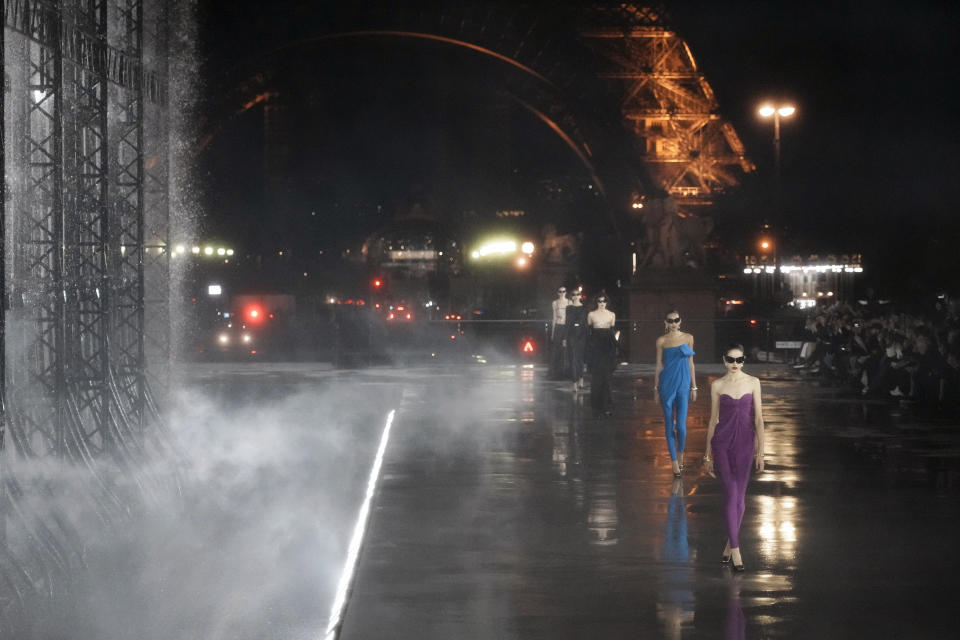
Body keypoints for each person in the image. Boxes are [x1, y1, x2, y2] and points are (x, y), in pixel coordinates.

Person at [703, 344, 765, 572]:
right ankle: (737, 549)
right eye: (731, 360)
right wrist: (707, 454)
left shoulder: (753, 382)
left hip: (745, 444)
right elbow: (712, 420)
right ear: (724, 360)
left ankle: (729, 544)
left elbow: (759, 419)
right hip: (722, 442)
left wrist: (761, 451)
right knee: (730, 493)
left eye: (739, 360)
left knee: (740, 496)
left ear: (744, 361)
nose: (735, 364)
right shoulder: (717, 385)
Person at [654, 310, 697, 477]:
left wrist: (694, 387)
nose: (673, 323)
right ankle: (674, 463)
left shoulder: (688, 338)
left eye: (676, 320)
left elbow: (691, 363)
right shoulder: (661, 341)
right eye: (670, 320)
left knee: (681, 425)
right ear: (666, 323)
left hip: (684, 383)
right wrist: (655, 388)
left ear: (680, 321)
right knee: (669, 425)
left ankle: (681, 454)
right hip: (666, 383)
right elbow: (658, 365)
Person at [586, 294, 617, 416]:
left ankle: (606, 405)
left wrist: (615, 349)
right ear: (596, 302)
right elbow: (589, 332)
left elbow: (612, 332)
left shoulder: (611, 314)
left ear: (607, 302)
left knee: (607, 376)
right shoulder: (591, 314)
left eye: (604, 301)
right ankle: (596, 405)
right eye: (599, 301)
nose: (602, 303)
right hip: (595, 345)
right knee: (596, 376)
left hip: (608, 345)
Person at [563, 288, 588, 391]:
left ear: (580, 296)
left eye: (578, 294)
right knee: (573, 359)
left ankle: (581, 378)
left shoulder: (584, 308)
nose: (576, 296)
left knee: (580, 359)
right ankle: (574, 382)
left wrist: (587, 337)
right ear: (571, 297)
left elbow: (586, 324)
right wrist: (564, 338)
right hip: (571, 335)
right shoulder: (568, 308)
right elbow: (567, 323)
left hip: (582, 335)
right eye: (574, 294)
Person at [549, 286, 569, 379]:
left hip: (566, 327)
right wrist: (553, 332)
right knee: (555, 350)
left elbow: (570, 318)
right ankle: (554, 373)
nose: (562, 293)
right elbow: (554, 318)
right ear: (558, 293)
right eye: (560, 291)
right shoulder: (555, 303)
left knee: (565, 350)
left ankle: (564, 372)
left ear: (566, 292)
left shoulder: (569, 302)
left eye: (563, 291)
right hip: (558, 326)